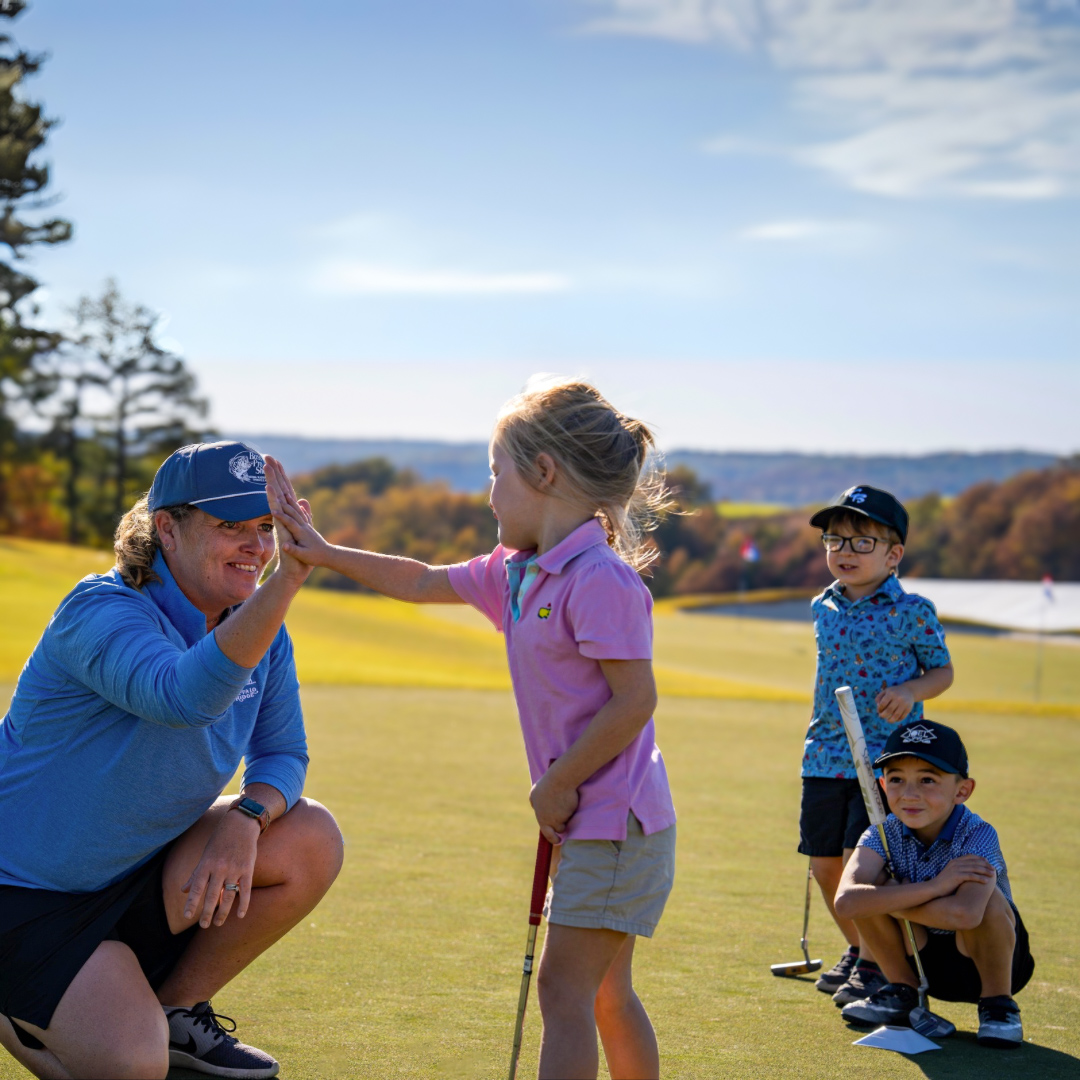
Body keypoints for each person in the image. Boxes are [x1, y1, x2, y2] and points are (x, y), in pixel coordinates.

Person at [265, 378, 677, 1080]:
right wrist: (322, 553)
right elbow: (422, 580)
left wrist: (557, 782)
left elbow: (635, 700)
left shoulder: (598, 578)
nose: (489, 493)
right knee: (602, 989)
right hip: (592, 818)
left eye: (497, 472)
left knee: (565, 990)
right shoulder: (518, 574)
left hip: (616, 821)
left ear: (543, 473)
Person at [0, 441, 344, 1080]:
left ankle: (175, 1011)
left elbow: (283, 754)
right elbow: (181, 696)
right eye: (230, 527)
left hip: (138, 872)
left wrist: (247, 816)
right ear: (167, 528)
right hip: (23, 894)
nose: (257, 547)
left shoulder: (259, 626)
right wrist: (288, 581)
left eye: (266, 528)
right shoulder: (99, 611)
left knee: (310, 837)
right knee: (132, 1065)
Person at [799, 485, 954, 1006]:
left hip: (887, 763)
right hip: (825, 754)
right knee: (824, 867)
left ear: (893, 556)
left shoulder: (912, 610)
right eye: (835, 539)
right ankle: (860, 947)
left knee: (858, 865)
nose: (844, 551)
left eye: (862, 542)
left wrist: (911, 691)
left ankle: (875, 965)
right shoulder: (823, 606)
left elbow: (943, 672)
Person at [833, 719, 1034, 1047]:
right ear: (882, 786)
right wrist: (937, 886)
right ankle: (902, 991)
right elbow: (846, 902)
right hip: (922, 957)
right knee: (868, 891)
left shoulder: (977, 834)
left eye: (928, 780)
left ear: (962, 790)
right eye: (896, 779)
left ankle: (998, 1005)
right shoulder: (880, 834)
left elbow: (965, 915)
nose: (910, 794)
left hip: (988, 962)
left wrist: (894, 898)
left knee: (990, 900)